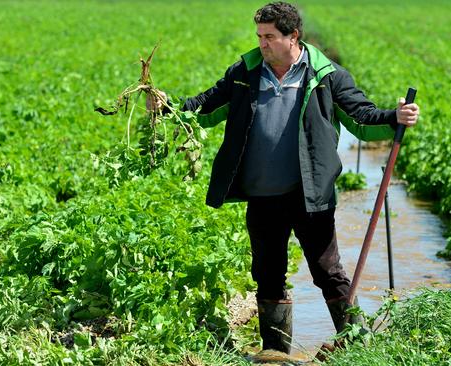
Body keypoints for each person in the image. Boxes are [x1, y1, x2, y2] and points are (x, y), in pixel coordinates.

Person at [149, 1, 419, 355]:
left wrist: (395, 116)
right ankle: (275, 353)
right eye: (259, 36)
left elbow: (361, 117)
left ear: (293, 37)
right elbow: (205, 106)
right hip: (263, 196)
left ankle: (358, 346)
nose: (262, 43)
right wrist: (169, 107)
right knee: (267, 273)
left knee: (327, 270)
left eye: (270, 36)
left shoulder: (327, 76)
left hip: (309, 194)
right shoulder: (245, 73)